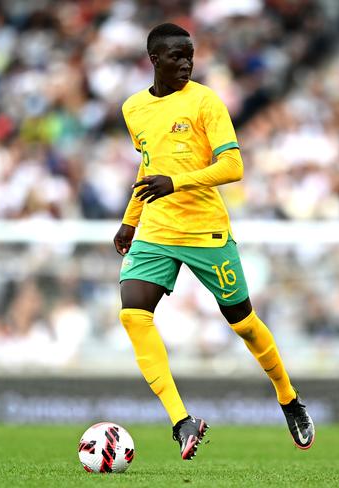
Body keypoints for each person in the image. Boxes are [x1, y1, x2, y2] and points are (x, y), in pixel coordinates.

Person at [114, 23, 315, 460]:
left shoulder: (206, 101)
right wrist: (131, 220)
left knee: (243, 323)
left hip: (206, 231)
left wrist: (177, 183)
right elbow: (148, 166)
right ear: (154, 60)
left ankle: (288, 398)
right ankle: (181, 421)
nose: (186, 62)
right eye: (176, 56)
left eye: (190, 55)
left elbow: (234, 165)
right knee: (133, 314)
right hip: (157, 230)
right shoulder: (133, 108)